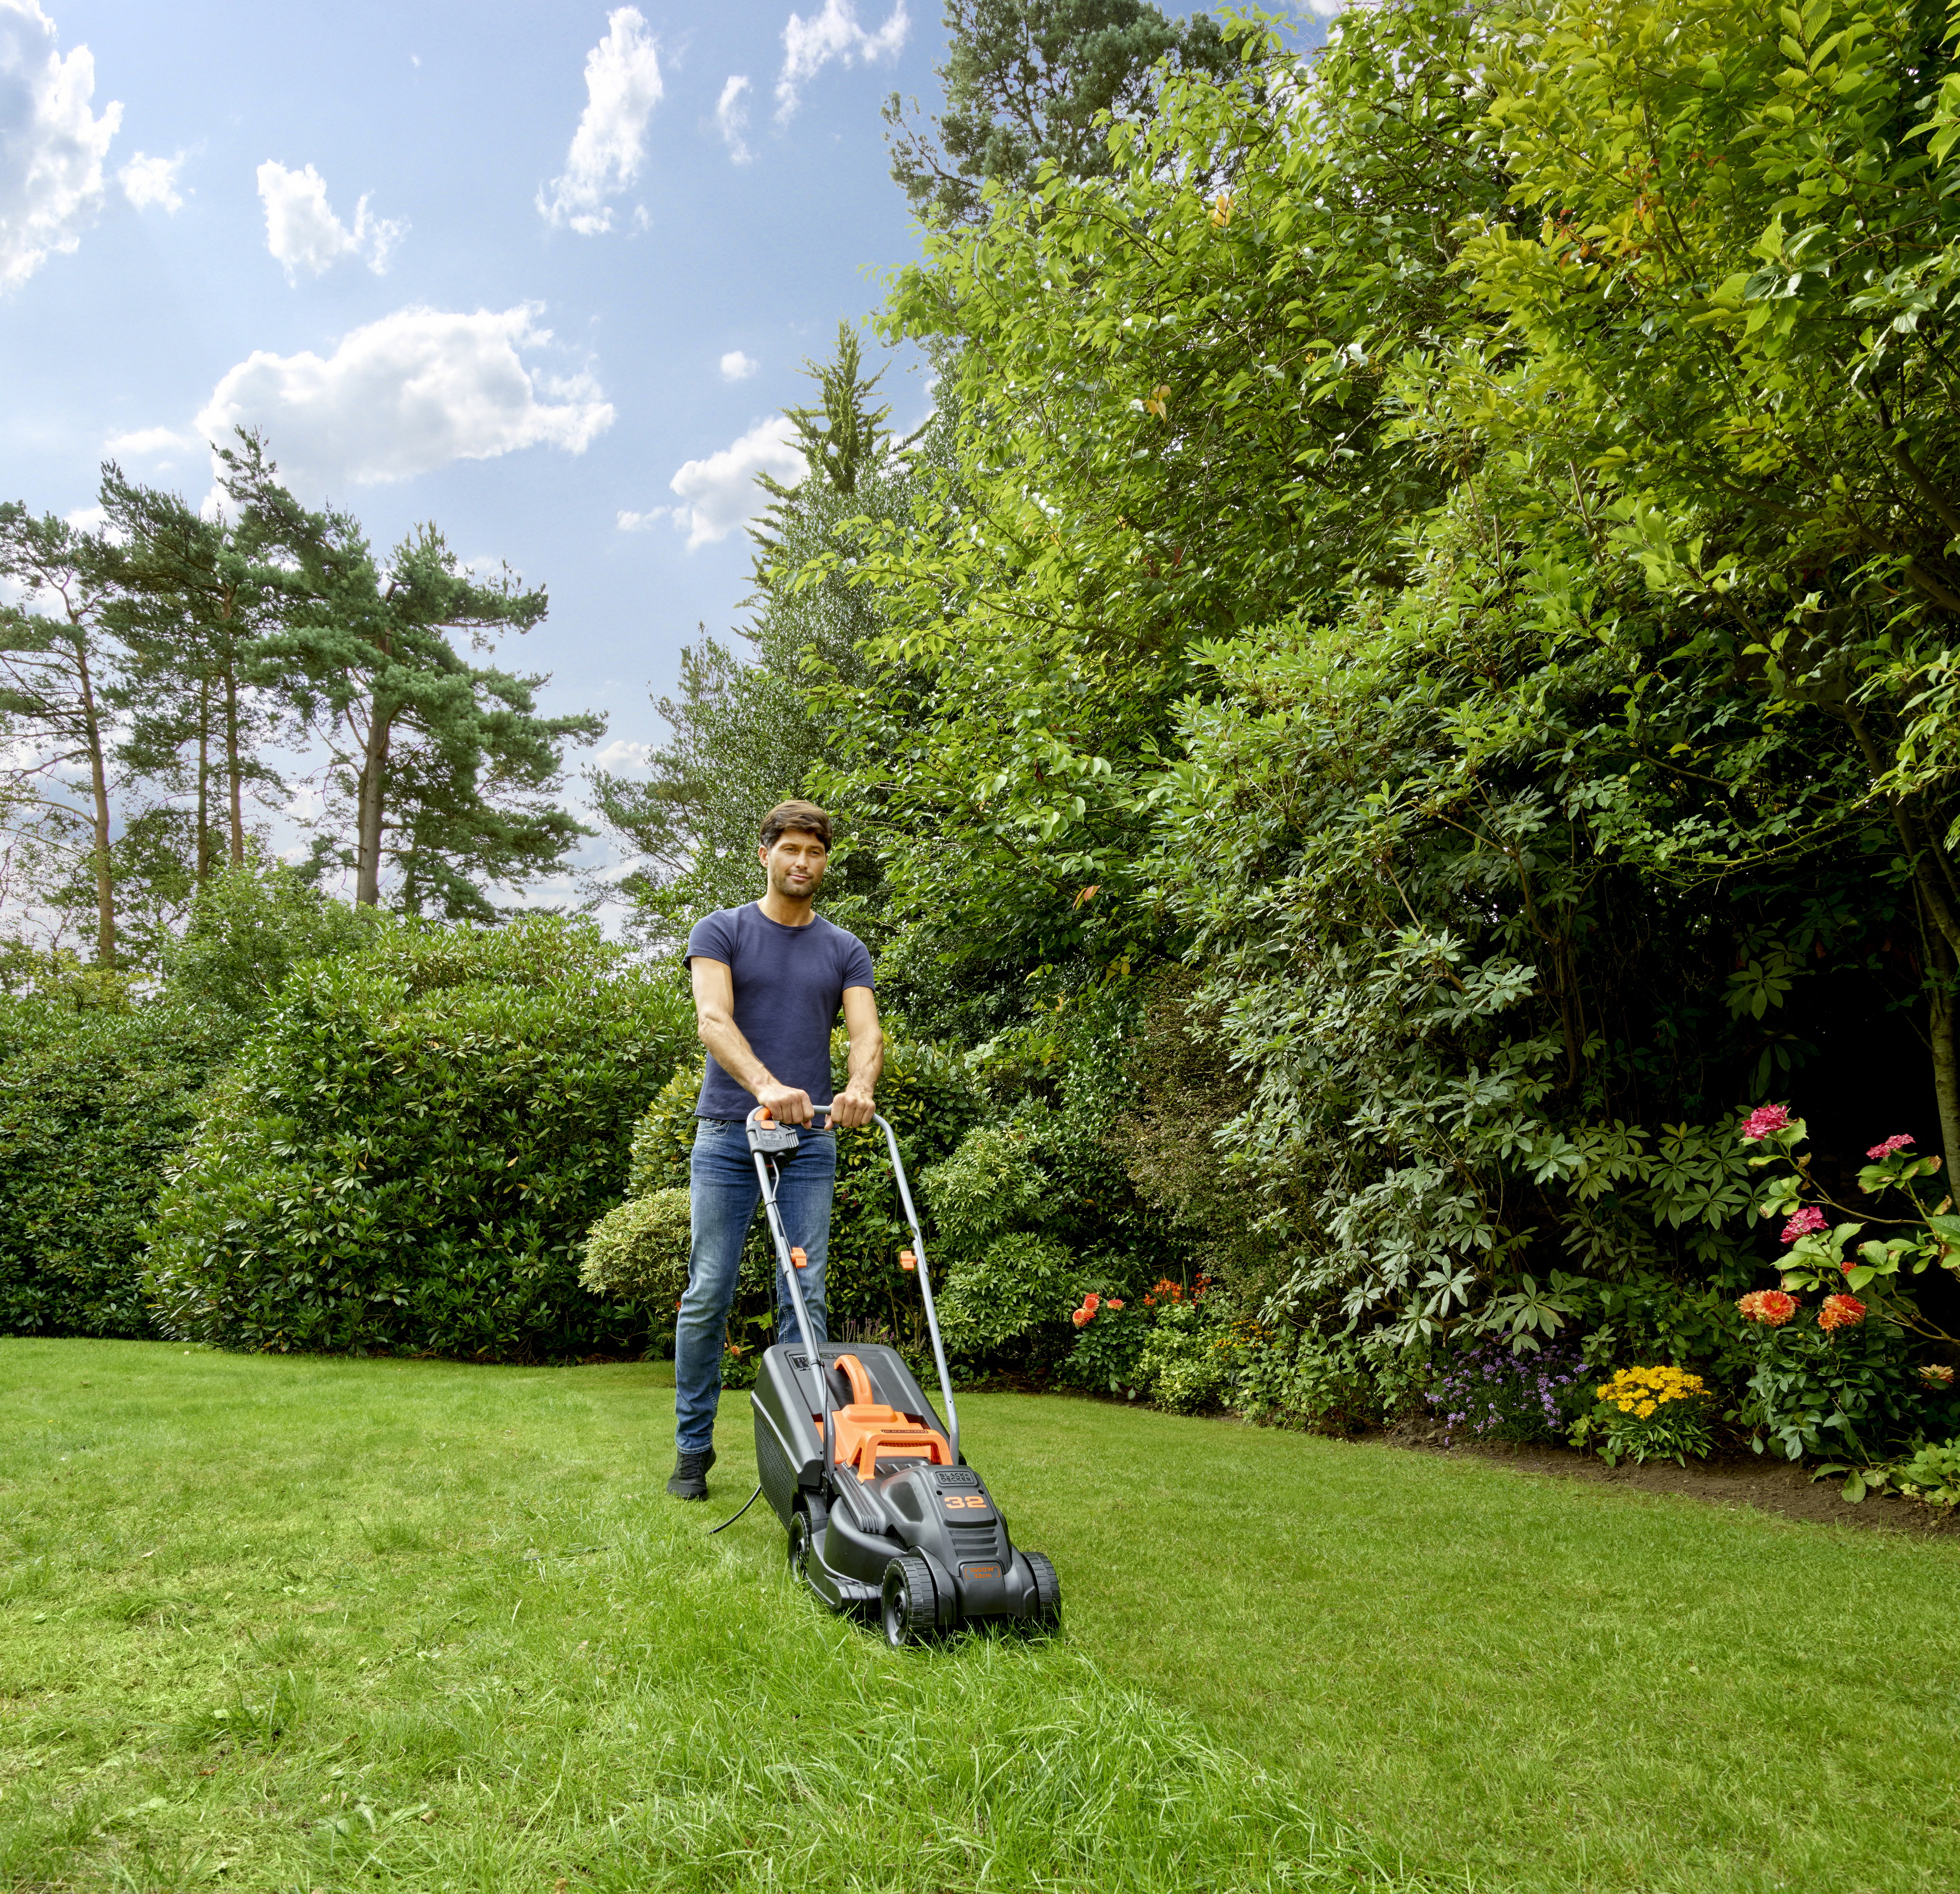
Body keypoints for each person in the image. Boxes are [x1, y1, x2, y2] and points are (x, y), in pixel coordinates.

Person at [668, 799, 882, 1500]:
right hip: (729, 1134)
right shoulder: (722, 930)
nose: (802, 862)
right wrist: (766, 1086)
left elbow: (866, 1034)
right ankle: (692, 1451)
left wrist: (858, 1088)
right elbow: (712, 1018)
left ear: (825, 862)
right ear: (765, 854)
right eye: (790, 849)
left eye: (815, 852)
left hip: (810, 1141)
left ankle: (809, 1456)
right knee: (710, 1292)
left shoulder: (844, 948)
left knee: (804, 1293)